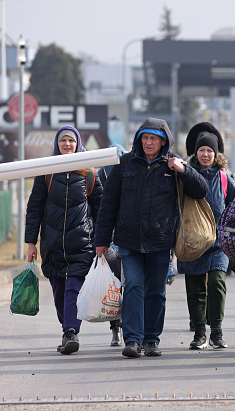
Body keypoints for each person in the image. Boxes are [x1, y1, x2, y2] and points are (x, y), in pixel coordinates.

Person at [95, 117, 207, 359]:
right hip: (129, 241)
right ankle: (133, 340)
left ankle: (152, 340)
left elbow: (201, 190)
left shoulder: (172, 165)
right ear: (138, 140)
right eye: (144, 138)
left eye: (153, 139)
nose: (148, 143)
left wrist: (184, 169)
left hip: (160, 241)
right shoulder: (125, 164)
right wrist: (101, 240)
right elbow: (108, 204)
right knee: (133, 286)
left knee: (156, 291)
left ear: (163, 142)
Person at [25, 125, 103, 355]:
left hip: (82, 243)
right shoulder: (47, 171)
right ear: (57, 145)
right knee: (59, 291)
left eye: (71, 141)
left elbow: (100, 208)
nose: (67, 144)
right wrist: (31, 242)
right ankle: (66, 327)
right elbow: (34, 208)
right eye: (63, 141)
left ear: (78, 143)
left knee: (73, 288)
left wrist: (102, 240)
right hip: (53, 244)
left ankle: (71, 331)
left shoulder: (89, 172)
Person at [179, 122, 235, 350]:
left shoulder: (224, 178)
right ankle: (200, 333)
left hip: (218, 241)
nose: (205, 154)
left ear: (216, 154)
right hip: (191, 240)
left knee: (216, 283)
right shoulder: (184, 174)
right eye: (202, 150)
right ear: (196, 152)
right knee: (195, 289)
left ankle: (217, 332)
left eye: (210, 151)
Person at [97, 143, 126, 347]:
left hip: (130, 240)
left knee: (132, 285)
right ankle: (116, 327)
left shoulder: (131, 174)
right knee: (114, 286)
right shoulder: (98, 179)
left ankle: (129, 327)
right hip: (109, 243)